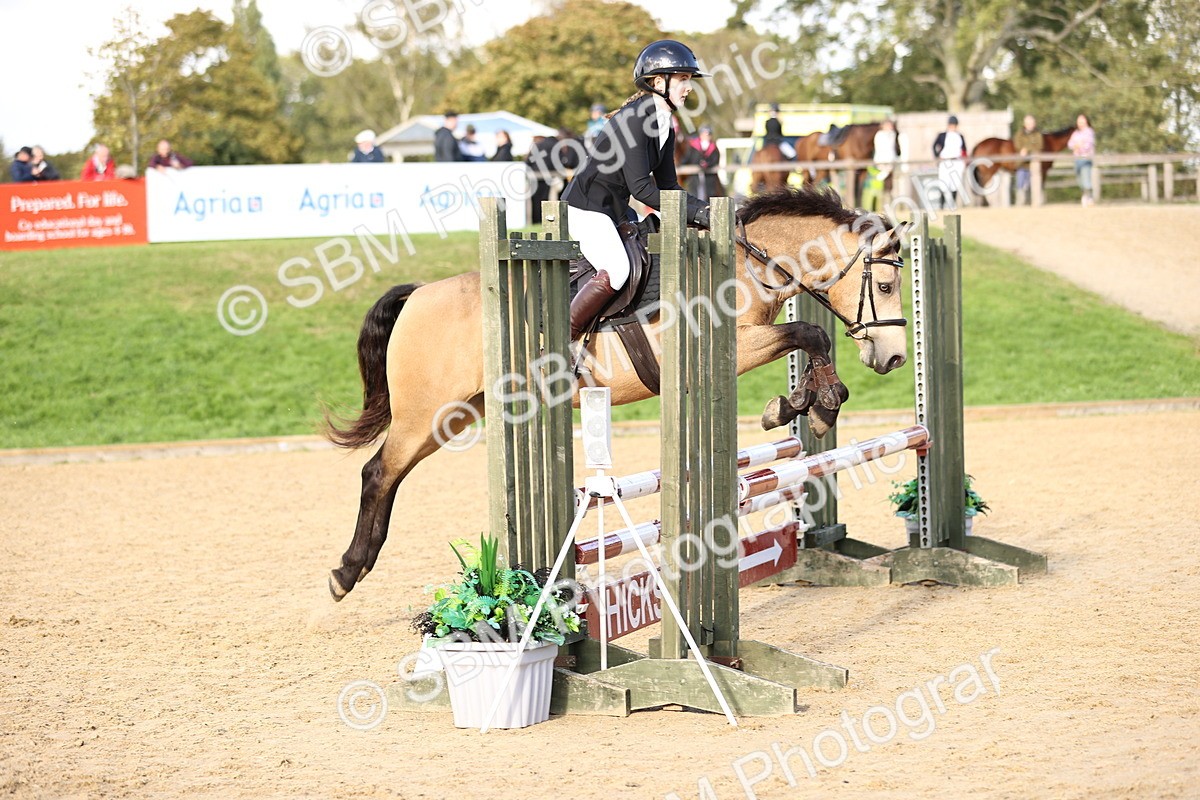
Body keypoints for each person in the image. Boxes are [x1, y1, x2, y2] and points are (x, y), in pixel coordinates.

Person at [560, 39, 712, 339]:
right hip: (586, 210)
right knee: (617, 270)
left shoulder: (664, 122)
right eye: (683, 79)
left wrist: (705, 211)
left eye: (689, 79)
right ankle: (563, 339)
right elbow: (643, 189)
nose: (689, 87)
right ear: (658, 81)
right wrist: (696, 213)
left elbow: (668, 185)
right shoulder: (634, 121)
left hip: (613, 210)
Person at [932, 115, 968, 209]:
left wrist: (964, 161)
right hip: (945, 161)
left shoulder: (960, 136)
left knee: (955, 184)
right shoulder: (942, 135)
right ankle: (941, 205)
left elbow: (964, 150)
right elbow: (935, 146)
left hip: (957, 162)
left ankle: (952, 204)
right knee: (944, 183)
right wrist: (937, 156)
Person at [682, 124, 721, 200]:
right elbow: (687, 158)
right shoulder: (693, 146)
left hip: (709, 177)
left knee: (709, 195)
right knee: (694, 194)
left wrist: (708, 164)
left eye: (708, 134)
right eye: (704, 134)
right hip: (694, 177)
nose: (706, 136)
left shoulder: (713, 148)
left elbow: (715, 160)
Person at [1012, 115, 1043, 205]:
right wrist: (1024, 149)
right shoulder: (1019, 134)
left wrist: (1026, 149)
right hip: (1022, 163)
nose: (1031, 125)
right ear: (1025, 124)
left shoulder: (1037, 134)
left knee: (1034, 183)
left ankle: (1035, 202)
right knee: (1020, 184)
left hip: (1033, 162)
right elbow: (1017, 145)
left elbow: (1039, 146)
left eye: (1032, 123)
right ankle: (1020, 203)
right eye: (1028, 123)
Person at [1067, 114, 1096, 207]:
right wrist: (1077, 145)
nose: (1080, 123)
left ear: (1086, 121)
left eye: (1082, 121)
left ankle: (1088, 197)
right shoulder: (1076, 133)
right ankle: (1087, 195)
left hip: (1085, 159)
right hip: (1077, 159)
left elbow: (1088, 145)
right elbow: (1070, 144)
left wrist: (1079, 146)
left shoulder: (1089, 132)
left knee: (1086, 178)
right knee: (1080, 179)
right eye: (1079, 121)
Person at [872, 118, 899, 201]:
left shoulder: (892, 134)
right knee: (883, 179)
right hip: (882, 160)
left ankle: (889, 200)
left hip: (891, 160)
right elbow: (881, 149)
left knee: (889, 182)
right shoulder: (880, 135)